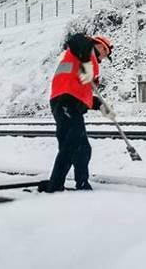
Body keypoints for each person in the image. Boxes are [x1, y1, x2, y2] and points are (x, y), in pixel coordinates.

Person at [43, 33, 116, 192]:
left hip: (71, 103)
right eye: (105, 54)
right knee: (71, 144)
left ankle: (82, 184)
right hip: (65, 101)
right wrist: (86, 53)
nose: (104, 58)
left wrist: (101, 105)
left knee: (82, 148)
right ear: (101, 47)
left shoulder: (86, 59)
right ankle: (55, 185)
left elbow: (82, 89)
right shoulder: (83, 47)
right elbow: (76, 40)